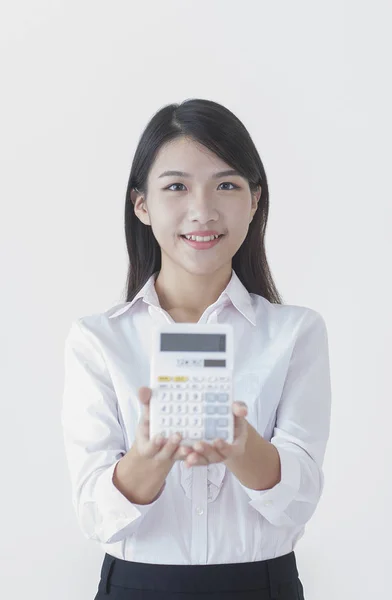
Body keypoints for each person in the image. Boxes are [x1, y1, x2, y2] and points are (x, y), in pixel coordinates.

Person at [61, 98, 331, 599]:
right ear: (142, 204)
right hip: (136, 587)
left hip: (262, 586)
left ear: (254, 200)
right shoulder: (98, 339)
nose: (202, 211)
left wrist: (240, 444)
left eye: (226, 185)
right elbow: (96, 515)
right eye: (176, 187)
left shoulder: (296, 333)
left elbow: (300, 501)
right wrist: (148, 457)